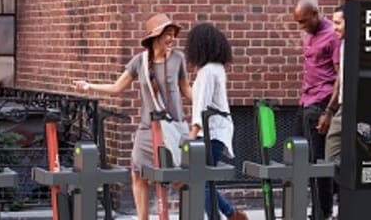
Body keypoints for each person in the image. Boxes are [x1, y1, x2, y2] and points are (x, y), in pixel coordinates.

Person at [72, 13, 190, 220]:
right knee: (137, 172)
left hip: (172, 127)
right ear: (155, 37)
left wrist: (206, 99)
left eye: (173, 34)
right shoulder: (139, 61)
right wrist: (89, 86)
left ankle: (196, 207)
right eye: (167, 34)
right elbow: (117, 87)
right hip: (147, 127)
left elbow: (186, 89)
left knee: (178, 177)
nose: (171, 38)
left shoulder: (178, 59)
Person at [185, 22, 248, 220]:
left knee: (200, 180)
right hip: (217, 131)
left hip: (210, 133)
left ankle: (222, 216)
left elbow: (201, 106)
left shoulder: (207, 72)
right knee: (204, 179)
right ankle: (231, 214)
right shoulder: (217, 68)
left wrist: (192, 135)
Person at [293, 0, 340, 220]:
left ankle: (322, 212)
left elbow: (340, 75)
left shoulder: (332, 35)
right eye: (298, 22)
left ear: (315, 13)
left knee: (318, 161)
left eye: (304, 21)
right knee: (301, 158)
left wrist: (329, 111)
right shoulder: (308, 34)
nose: (301, 26)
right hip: (305, 101)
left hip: (321, 103)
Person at [321, 7, 345, 170]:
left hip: (349, 107)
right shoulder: (343, 44)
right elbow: (340, 78)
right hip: (341, 105)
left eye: (338, 23)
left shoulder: (352, 46)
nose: (334, 28)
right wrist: (330, 110)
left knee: (332, 154)